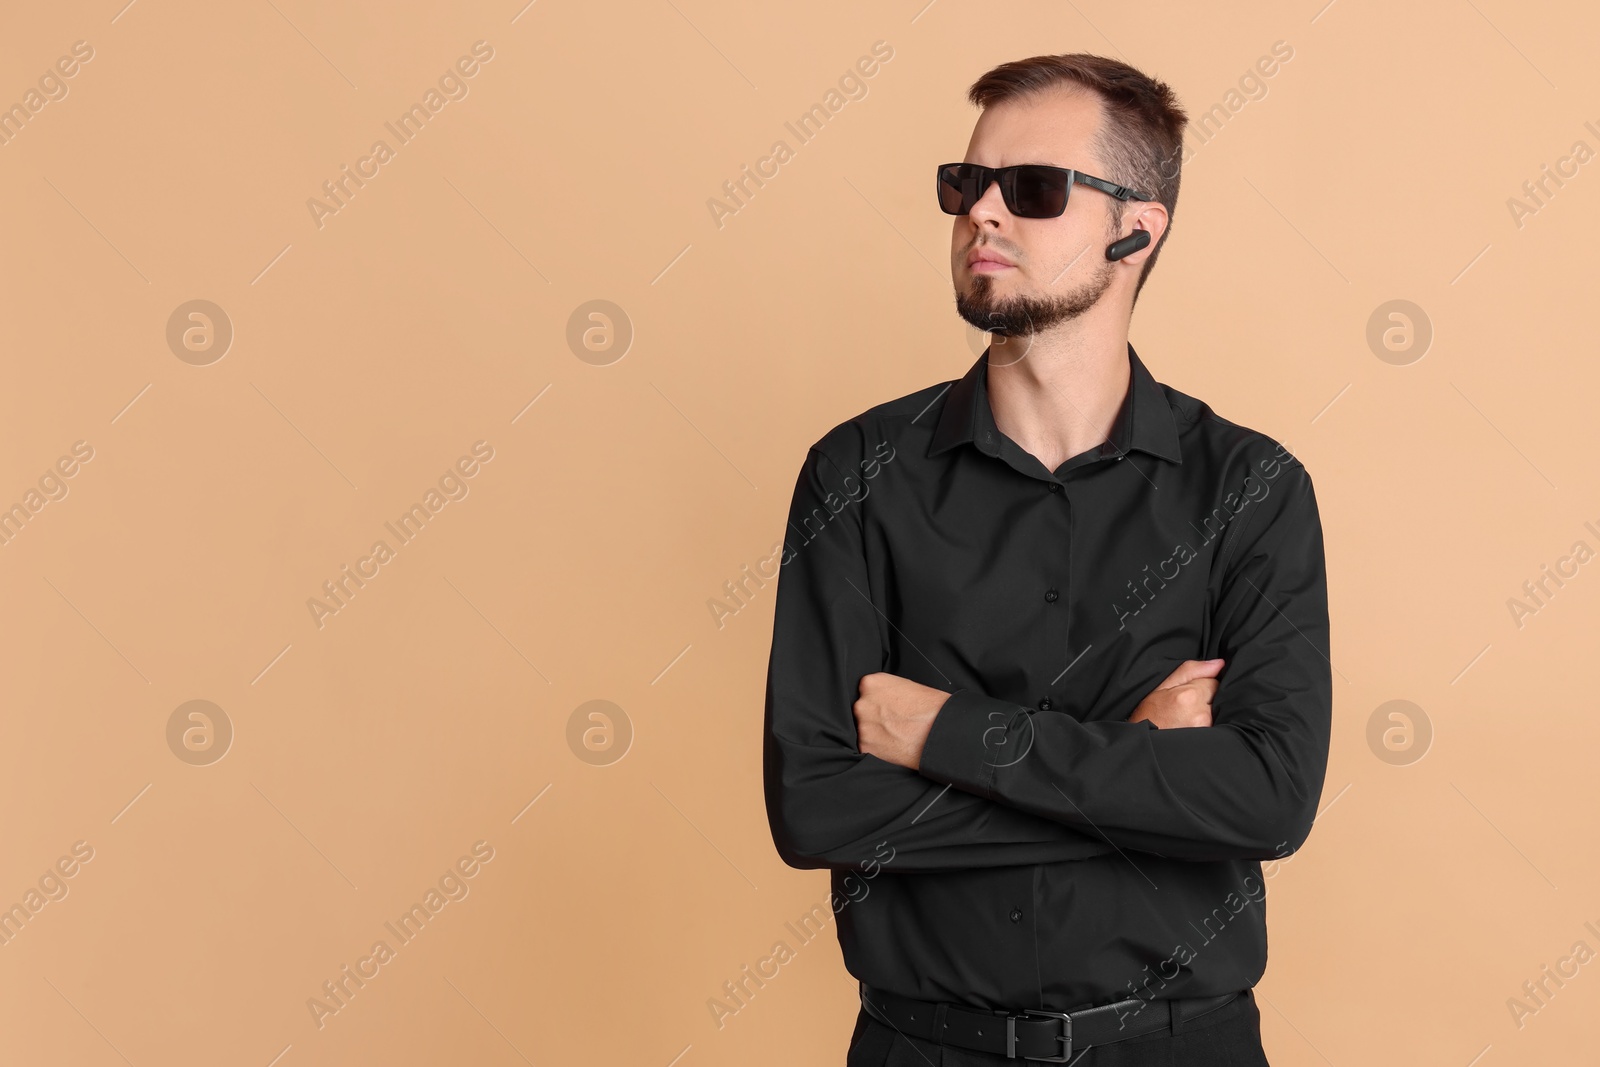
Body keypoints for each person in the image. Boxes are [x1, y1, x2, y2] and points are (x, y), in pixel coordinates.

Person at [762, 52, 1331, 1065]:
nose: (981, 213)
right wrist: (1133, 761)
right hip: (920, 1043)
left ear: (1136, 227)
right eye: (963, 183)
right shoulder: (853, 472)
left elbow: (1266, 799)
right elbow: (816, 807)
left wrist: (940, 732)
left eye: (1030, 189)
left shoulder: (1250, 487)